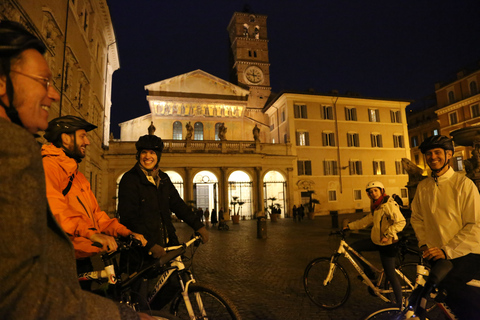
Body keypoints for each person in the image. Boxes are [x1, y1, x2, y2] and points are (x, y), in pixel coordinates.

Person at [0, 20, 151, 319]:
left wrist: (122, 230)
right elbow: (21, 295)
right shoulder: (24, 158)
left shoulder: (74, 174)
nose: (54, 94)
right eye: (43, 81)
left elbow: (96, 214)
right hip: (78, 259)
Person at [42, 116, 147, 285]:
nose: (88, 142)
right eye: (83, 136)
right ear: (66, 138)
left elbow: (98, 217)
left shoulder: (79, 177)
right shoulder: (49, 166)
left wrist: (125, 232)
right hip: (57, 259)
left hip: (82, 257)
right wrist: (92, 234)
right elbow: (55, 209)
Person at [117, 133, 208, 309]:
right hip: (141, 252)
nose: (148, 156)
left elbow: (178, 205)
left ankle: (153, 311)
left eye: (152, 153)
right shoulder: (130, 179)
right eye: (144, 152)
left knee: (175, 284)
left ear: (158, 156)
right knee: (140, 300)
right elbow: (128, 218)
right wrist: (149, 244)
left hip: (168, 246)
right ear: (138, 155)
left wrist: (198, 225)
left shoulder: (164, 179)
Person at [411, 135, 480, 319]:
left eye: (437, 152)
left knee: (460, 297)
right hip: (436, 253)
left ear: (448, 154)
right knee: (435, 294)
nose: (433, 157)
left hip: (465, 253)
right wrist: (424, 244)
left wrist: (447, 250)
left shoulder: (464, 184)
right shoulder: (423, 187)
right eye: (428, 154)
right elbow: (417, 218)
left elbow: (475, 224)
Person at [343, 181, 406, 306]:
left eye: (375, 190)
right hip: (376, 241)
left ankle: (401, 305)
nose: (373, 193)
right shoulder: (377, 206)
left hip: (388, 244)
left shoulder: (389, 204)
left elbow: (401, 222)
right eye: (370, 192)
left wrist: (387, 234)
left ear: (382, 191)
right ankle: (371, 273)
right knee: (352, 248)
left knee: (391, 276)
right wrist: (349, 226)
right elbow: (366, 220)